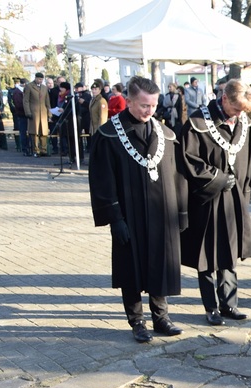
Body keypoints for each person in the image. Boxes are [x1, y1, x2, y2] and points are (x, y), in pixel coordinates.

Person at [88, 76, 188, 343]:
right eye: (144, 105)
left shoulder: (166, 134)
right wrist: (114, 217)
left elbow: (178, 175)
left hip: (160, 214)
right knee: (131, 268)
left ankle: (161, 317)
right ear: (129, 101)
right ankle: (137, 321)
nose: (149, 111)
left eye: (154, 105)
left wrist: (181, 212)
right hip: (128, 214)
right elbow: (102, 180)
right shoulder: (109, 135)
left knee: (160, 264)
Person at [180, 79, 251, 324]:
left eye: (244, 111)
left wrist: (244, 192)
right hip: (206, 199)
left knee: (229, 252)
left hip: (234, 199)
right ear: (224, 99)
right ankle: (210, 307)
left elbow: (249, 160)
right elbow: (188, 160)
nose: (239, 115)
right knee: (207, 256)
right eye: (236, 109)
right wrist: (218, 179)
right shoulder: (197, 122)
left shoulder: (244, 122)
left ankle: (229, 303)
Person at [24, 72, 50, 157]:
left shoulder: (44, 88)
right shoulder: (29, 86)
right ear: (35, 78)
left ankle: (44, 150)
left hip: (43, 112)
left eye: (41, 79)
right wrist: (28, 112)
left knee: (44, 132)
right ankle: (36, 150)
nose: (40, 81)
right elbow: (26, 101)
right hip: (33, 112)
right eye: (39, 79)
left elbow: (47, 101)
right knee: (34, 132)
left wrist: (49, 113)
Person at [9, 78, 29, 156]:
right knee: (23, 132)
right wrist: (27, 108)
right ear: (24, 84)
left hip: (26, 114)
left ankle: (28, 147)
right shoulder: (17, 92)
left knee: (27, 132)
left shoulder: (23, 91)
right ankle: (24, 148)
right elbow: (19, 104)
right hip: (22, 114)